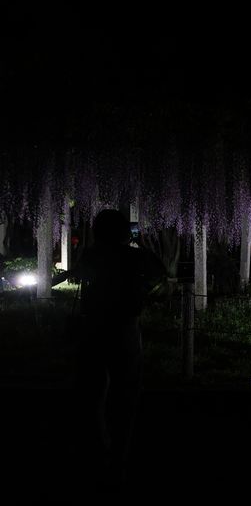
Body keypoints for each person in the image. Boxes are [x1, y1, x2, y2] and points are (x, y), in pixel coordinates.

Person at [52, 208, 167, 489]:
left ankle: (97, 453)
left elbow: (80, 276)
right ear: (124, 231)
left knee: (92, 391)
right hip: (124, 327)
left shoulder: (92, 254)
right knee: (125, 392)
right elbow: (159, 272)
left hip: (93, 328)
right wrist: (138, 253)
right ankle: (119, 456)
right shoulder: (134, 256)